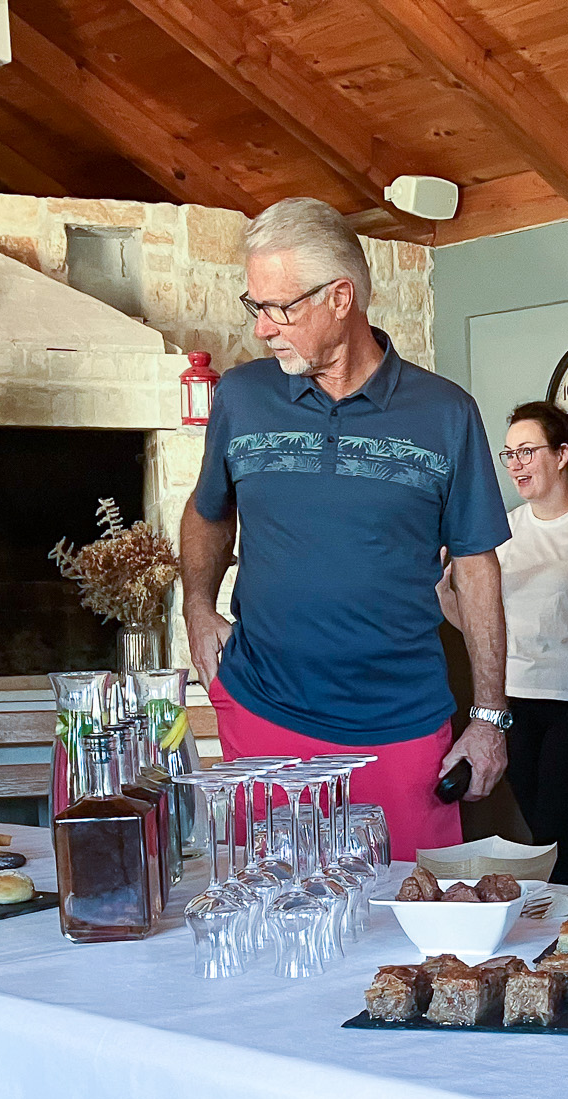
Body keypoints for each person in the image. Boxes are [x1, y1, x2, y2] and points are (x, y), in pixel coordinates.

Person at [182, 198, 511, 853]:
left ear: (340, 297)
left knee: (408, 909)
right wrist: (196, 604)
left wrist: (489, 717)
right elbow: (207, 509)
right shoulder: (241, 398)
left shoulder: (446, 413)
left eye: (278, 308)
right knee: (271, 905)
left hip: (402, 726)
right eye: (255, 306)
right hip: (263, 710)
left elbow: (476, 566)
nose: (262, 329)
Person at [439, 401, 568, 885]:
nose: (515, 464)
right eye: (509, 454)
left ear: (562, 454)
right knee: (542, 840)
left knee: (557, 841)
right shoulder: (506, 529)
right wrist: (444, 594)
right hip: (514, 704)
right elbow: (481, 627)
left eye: (527, 451)